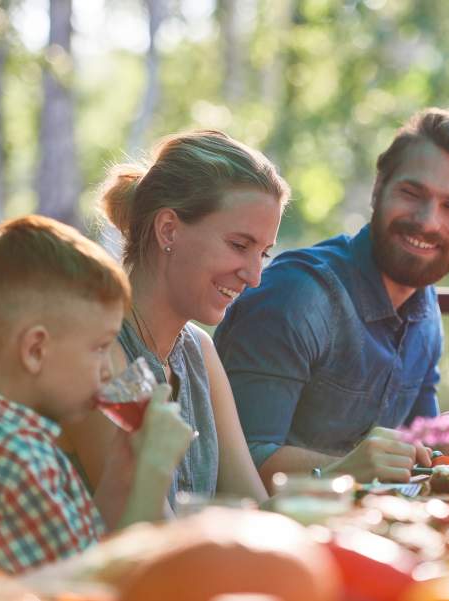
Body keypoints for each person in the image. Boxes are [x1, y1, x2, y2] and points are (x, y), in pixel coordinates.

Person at [214, 108, 449, 487]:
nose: (427, 220)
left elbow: (415, 454)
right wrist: (351, 469)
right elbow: (234, 465)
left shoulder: (425, 305)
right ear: (378, 188)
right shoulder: (297, 296)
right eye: (411, 192)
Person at [0, 215, 182, 575]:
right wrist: (153, 471)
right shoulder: (21, 460)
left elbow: (83, 555)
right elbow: (103, 588)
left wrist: (120, 471)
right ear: (35, 349)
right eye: (99, 347)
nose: (108, 370)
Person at [60, 130, 289, 513]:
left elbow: (254, 509)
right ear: (169, 229)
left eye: (263, 253)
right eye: (239, 245)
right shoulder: (100, 353)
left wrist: (348, 488)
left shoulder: (198, 348)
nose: (254, 276)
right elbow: (149, 537)